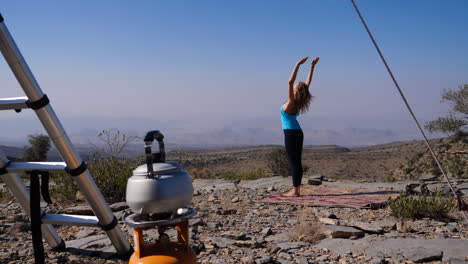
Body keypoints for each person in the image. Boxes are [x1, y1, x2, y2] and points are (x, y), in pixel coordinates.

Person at [281, 56, 319, 197]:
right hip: (297, 133)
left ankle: (296, 191)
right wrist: (311, 67)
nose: (295, 84)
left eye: (297, 84)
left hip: (291, 134)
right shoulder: (298, 101)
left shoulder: (292, 101)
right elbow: (307, 84)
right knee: (296, 161)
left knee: (294, 161)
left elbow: (290, 81)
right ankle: (296, 189)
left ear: (296, 89)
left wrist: (298, 64)